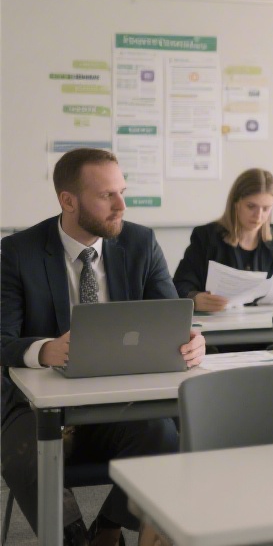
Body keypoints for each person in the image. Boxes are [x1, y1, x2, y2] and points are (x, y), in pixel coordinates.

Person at [1, 148, 205, 546]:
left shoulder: (140, 242)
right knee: (27, 453)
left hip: (117, 403)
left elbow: (173, 318)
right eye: (106, 196)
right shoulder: (18, 253)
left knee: (163, 435)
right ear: (68, 200)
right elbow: (2, 340)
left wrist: (194, 341)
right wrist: (44, 350)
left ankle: (108, 528)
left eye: (122, 191)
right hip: (35, 408)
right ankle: (72, 539)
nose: (121, 205)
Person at [172, 168, 273, 312]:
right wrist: (195, 299)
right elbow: (179, 286)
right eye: (251, 206)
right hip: (219, 329)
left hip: (267, 326)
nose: (258, 216)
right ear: (236, 203)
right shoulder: (206, 236)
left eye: (266, 208)